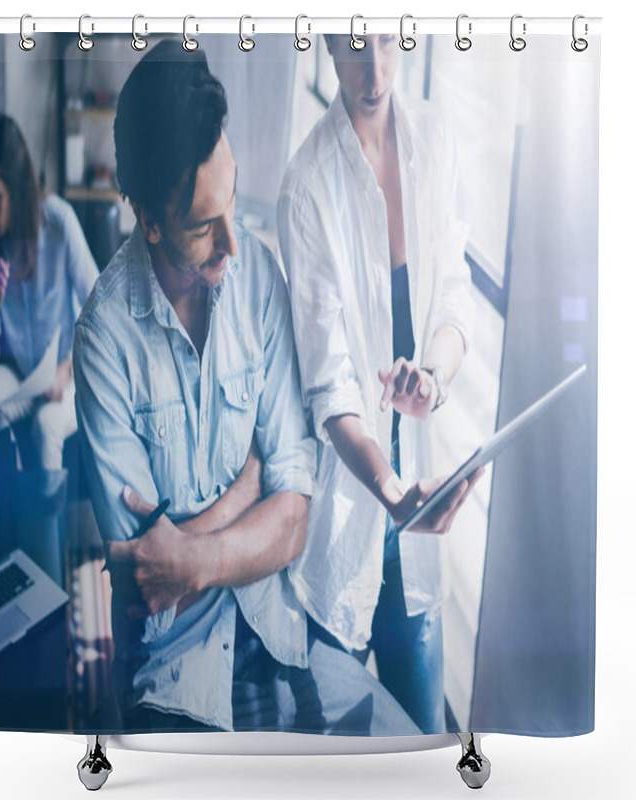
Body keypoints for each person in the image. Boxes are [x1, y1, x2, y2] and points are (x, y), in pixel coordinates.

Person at [73, 40, 418, 736]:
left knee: (409, 753)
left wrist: (194, 552)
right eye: (204, 225)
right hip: (172, 676)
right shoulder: (102, 338)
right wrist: (251, 483)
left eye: (231, 199)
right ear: (149, 220)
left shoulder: (257, 276)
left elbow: (294, 520)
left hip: (283, 628)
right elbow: (147, 581)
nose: (236, 241)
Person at [278, 34, 481, 734]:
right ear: (329, 43)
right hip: (352, 504)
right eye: (357, 48)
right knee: (328, 741)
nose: (376, 71)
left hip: (417, 494)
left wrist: (435, 377)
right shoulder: (308, 184)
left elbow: (455, 295)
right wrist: (393, 495)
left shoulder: (435, 140)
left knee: (425, 736)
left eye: (390, 43)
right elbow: (329, 383)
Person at [0, 114, 99, 470]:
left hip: (66, 376)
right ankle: (14, 496)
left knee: (46, 426)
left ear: (18, 188)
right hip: (22, 377)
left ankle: (41, 520)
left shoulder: (59, 222)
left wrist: (66, 369)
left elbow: (102, 311)